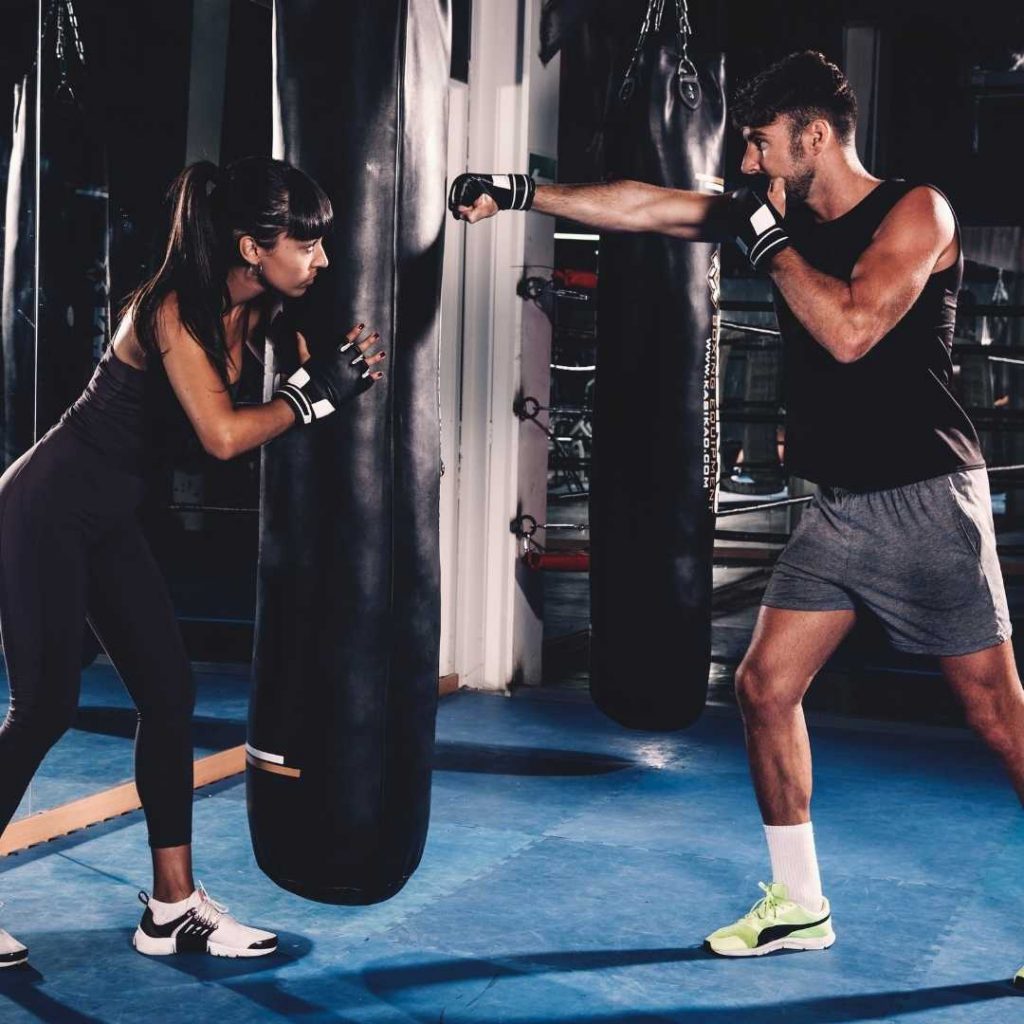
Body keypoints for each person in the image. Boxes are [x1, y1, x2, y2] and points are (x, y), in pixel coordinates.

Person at [449, 50, 1024, 984]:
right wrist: (521, 191)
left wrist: (762, 240)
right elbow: (649, 204)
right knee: (762, 689)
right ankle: (798, 904)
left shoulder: (919, 211)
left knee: (999, 719)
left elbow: (849, 329)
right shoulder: (776, 215)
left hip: (923, 504)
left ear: (816, 135)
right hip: (833, 513)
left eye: (761, 145)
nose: (751, 165)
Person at [0, 156, 385, 966]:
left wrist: (325, 378)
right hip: (43, 511)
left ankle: (172, 908)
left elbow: (282, 405)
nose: (321, 258)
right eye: (307, 244)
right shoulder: (173, 310)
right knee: (45, 707)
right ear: (252, 246)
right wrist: (310, 397)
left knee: (170, 695)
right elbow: (219, 436)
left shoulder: (264, 312)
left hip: (107, 518)